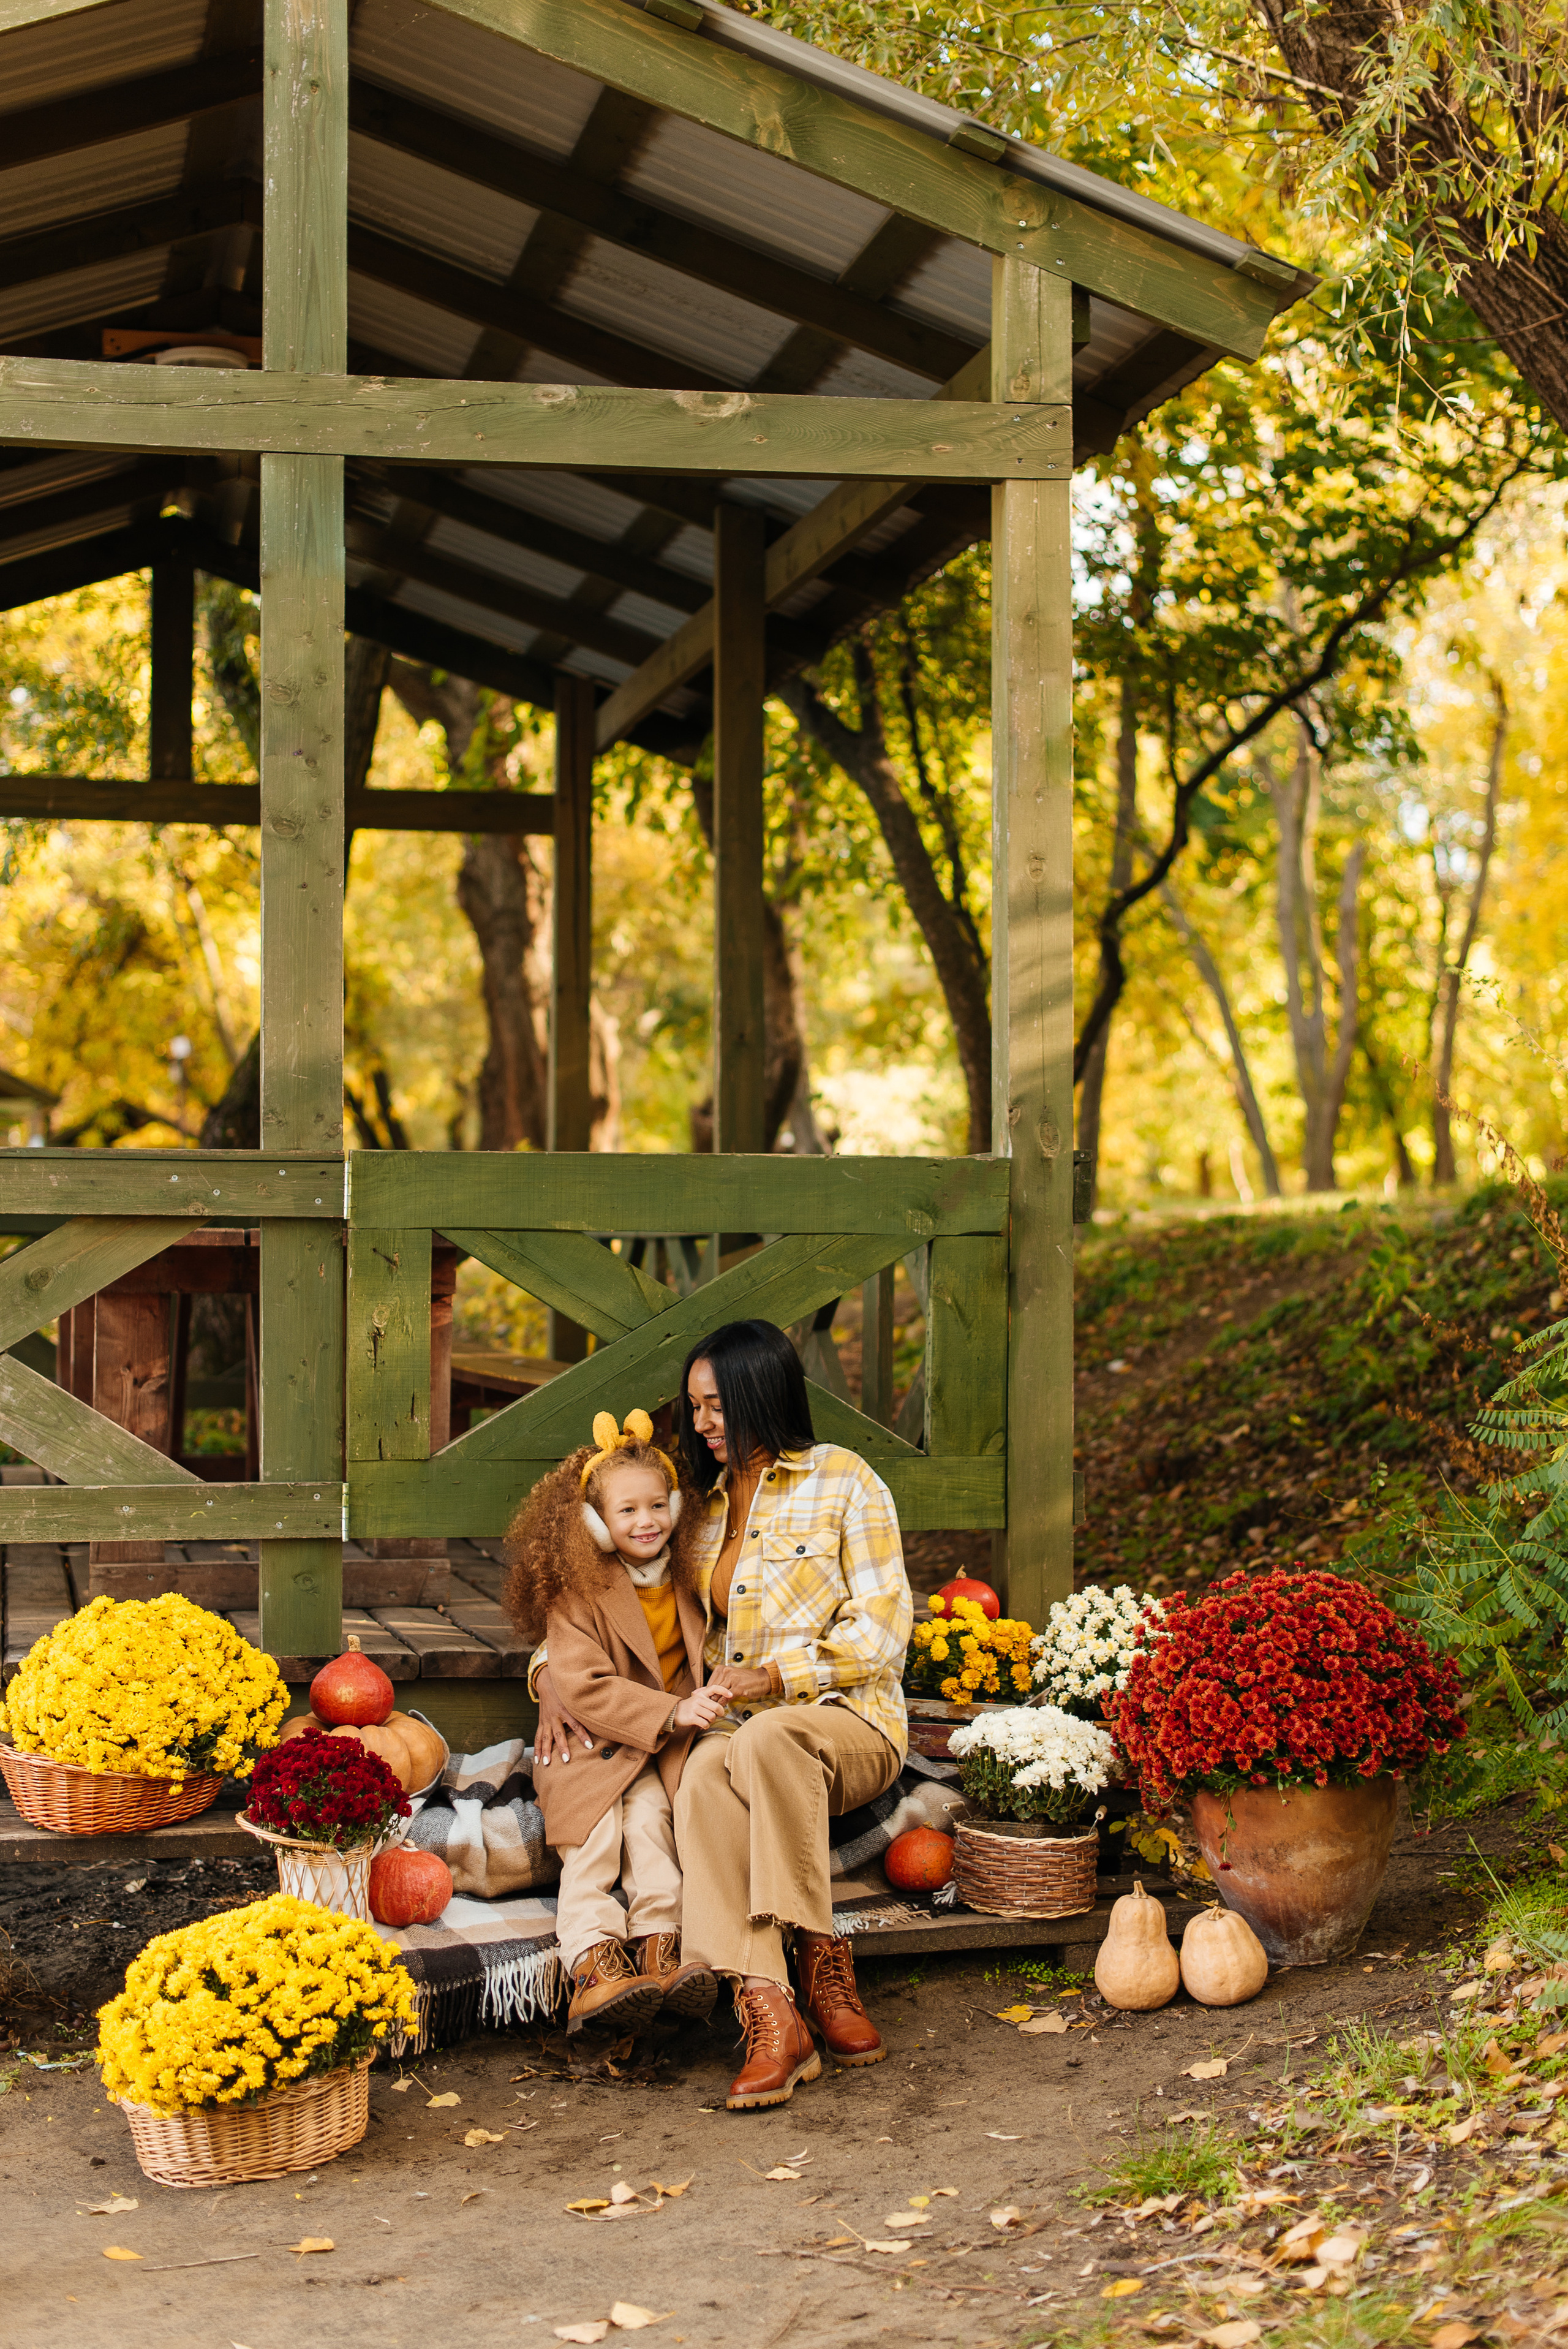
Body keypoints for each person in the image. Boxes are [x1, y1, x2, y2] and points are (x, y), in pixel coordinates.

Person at [533, 1321, 913, 2111]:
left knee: (768, 1734)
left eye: (715, 1407)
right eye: (694, 1407)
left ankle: (819, 1950)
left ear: (759, 1397)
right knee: (703, 1774)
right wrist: (550, 1680)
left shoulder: (844, 1481)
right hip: (735, 1732)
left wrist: (774, 1674)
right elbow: (607, 1605)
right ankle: (772, 2010)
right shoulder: (693, 1514)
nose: (700, 1424)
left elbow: (881, 1635)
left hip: (847, 1722)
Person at [502, 1408, 727, 2034]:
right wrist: (672, 1711)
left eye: (657, 1506)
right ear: (595, 1523)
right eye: (626, 1512)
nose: (646, 1522)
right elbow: (581, 1684)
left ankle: (662, 1946)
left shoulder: (687, 1579)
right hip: (587, 1743)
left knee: (654, 1825)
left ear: (677, 1509)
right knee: (595, 1842)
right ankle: (592, 1963)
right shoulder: (580, 1589)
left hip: (652, 1748)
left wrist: (685, 1710)